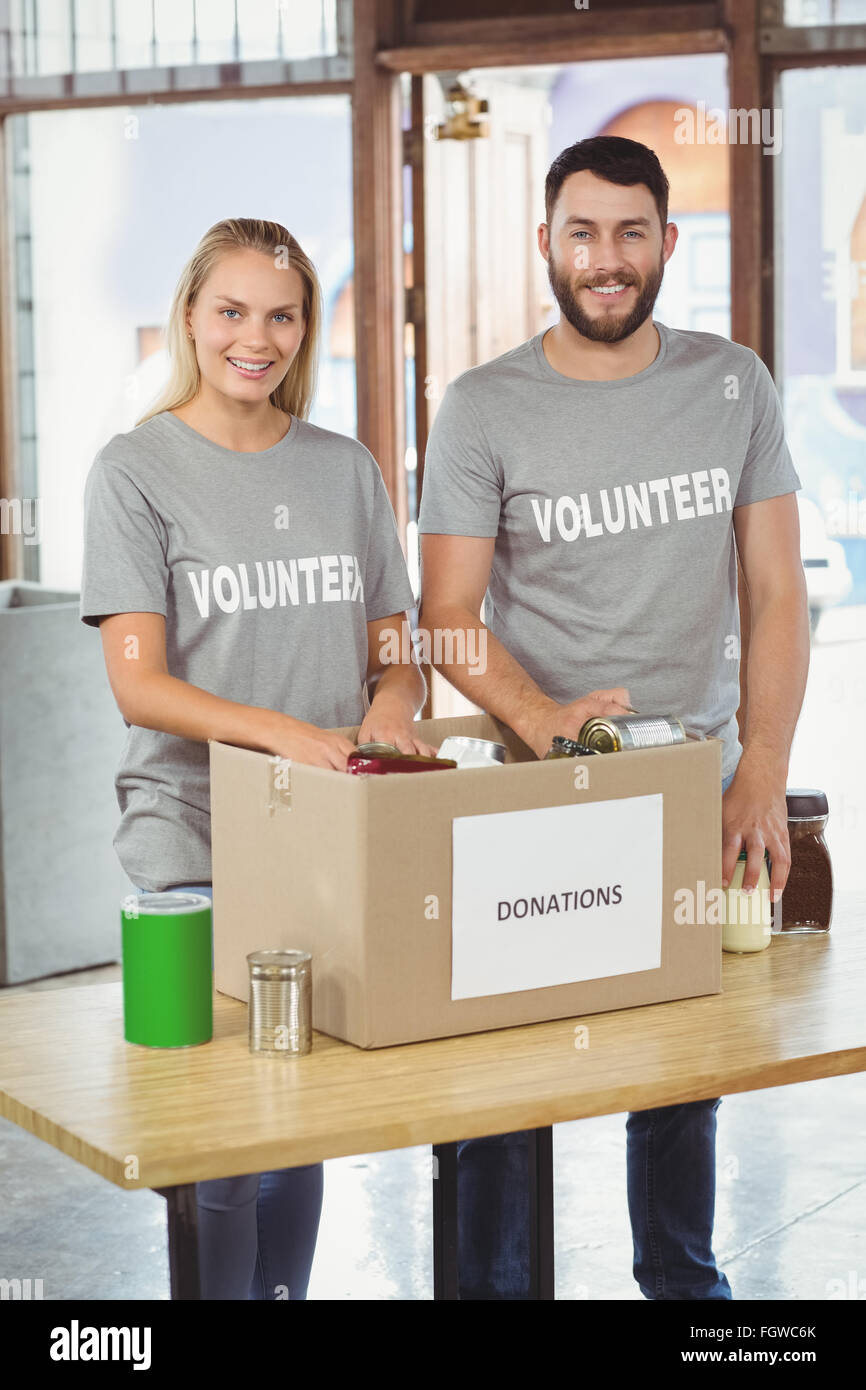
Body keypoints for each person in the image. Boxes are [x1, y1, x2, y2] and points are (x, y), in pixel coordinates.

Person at [417, 136, 810, 1299]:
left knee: (682, 1069)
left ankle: (682, 1293)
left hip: (695, 785)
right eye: (581, 233)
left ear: (664, 244)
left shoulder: (730, 382)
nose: (605, 259)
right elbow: (444, 614)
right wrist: (542, 722)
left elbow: (779, 591)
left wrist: (761, 771)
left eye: (629, 232)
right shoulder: (481, 406)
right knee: (501, 1077)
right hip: (531, 797)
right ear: (545, 243)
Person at [80, 217, 433, 1299]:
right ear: (190, 316)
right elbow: (138, 681)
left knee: (298, 1127)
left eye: (281, 314)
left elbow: (396, 653)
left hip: (322, 846)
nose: (256, 336)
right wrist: (287, 731)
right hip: (189, 849)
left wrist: (388, 703)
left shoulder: (344, 470)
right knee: (220, 1147)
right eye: (231, 310)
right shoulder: (135, 471)